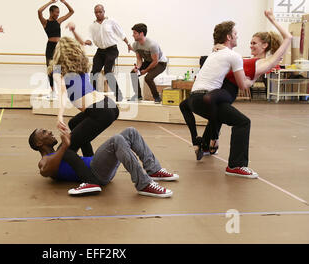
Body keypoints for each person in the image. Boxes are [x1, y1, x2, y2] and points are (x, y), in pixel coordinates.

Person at [180, 10, 291, 162]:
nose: (250, 45)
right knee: (218, 114)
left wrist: (272, 19)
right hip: (216, 92)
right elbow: (229, 61)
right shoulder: (244, 59)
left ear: (265, 45)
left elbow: (288, 38)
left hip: (223, 92)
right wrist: (220, 48)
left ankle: (223, 155)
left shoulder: (266, 62)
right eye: (250, 42)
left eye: (254, 43)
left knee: (238, 120)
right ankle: (208, 146)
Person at [185, 19, 257, 178]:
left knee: (218, 113)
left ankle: (205, 146)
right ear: (229, 37)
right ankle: (236, 166)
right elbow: (242, 85)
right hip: (205, 98)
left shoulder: (214, 53)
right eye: (236, 34)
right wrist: (253, 80)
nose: (238, 37)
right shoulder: (234, 56)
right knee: (242, 122)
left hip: (193, 99)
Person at [29, 125, 178, 197]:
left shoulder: (61, 152)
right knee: (117, 140)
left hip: (100, 166)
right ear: (39, 144)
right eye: (44, 132)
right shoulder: (45, 161)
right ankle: (143, 184)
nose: (49, 131)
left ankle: (154, 170)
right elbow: (47, 171)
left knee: (130, 132)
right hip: (96, 173)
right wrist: (65, 146)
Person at [48, 25, 119, 157]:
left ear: (58, 52)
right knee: (74, 124)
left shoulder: (58, 69)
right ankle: (89, 158)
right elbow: (81, 44)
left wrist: (59, 116)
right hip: (109, 105)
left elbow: (62, 91)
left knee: (65, 151)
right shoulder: (81, 62)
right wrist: (74, 31)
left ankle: (90, 172)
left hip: (100, 112)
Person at [83, 4, 132, 102]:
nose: (98, 14)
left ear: (104, 12)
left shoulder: (111, 22)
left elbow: (121, 33)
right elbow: (90, 38)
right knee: (94, 72)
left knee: (107, 72)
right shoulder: (92, 26)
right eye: (96, 12)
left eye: (100, 12)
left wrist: (128, 43)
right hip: (100, 51)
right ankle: (94, 94)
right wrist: (87, 42)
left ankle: (119, 95)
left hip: (112, 50)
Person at [38, 0, 74, 99]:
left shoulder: (58, 21)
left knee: (58, 69)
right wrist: (50, 2)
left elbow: (71, 11)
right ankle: (53, 90)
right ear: (51, 12)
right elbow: (39, 11)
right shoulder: (45, 22)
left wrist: (65, 2)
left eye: (59, 13)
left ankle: (59, 90)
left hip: (59, 47)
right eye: (56, 12)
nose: (58, 14)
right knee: (50, 69)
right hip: (50, 46)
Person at [129, 23, 168, 103]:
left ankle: (157, 97)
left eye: (135, 33)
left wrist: (145, 71)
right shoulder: (135, 45)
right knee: (133, 73)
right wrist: (138, 68)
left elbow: (155, 61)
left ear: (141, 33)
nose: (133, 35)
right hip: (148, 61)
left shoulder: (152, 45)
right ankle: (138, 96)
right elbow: (139, 60)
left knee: (148, 78)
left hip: (160, 63)